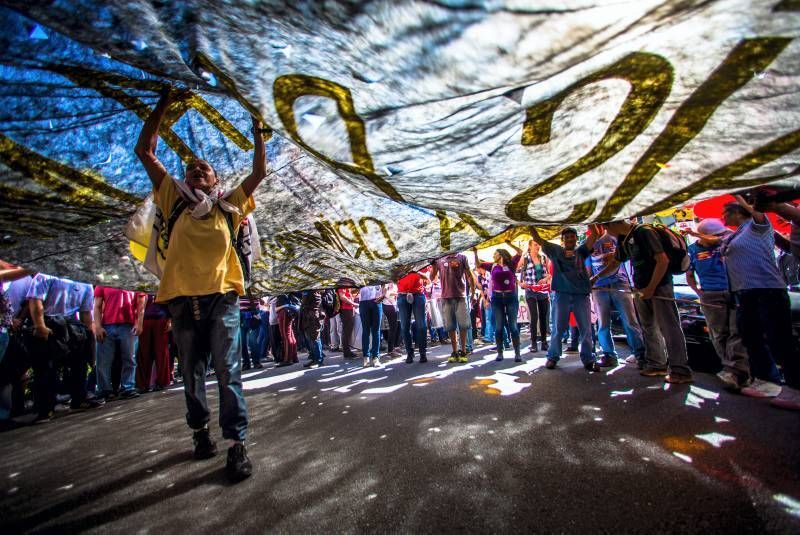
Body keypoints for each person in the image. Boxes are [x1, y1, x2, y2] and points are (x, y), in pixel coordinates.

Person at [135, 87, 270, 481]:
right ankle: (200, 434)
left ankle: (236, 446)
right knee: (192, 376)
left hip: (222, 301)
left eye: (204, 168)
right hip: (181, 303)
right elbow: (145, 151)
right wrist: (162, 102)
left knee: (229, 373)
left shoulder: (230, 207)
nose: (196, 169)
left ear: (215, 181)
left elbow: (259, 172)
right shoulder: (171, 198)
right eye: (190, 166)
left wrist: (259, 130)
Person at [720, 196, 799, 409]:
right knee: (751, 337)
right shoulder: (734, 235)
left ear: (738, 211)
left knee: (779, 340)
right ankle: (766, 382)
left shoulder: (758, 226)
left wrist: (739, 193)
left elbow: (757, 211)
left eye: (725, 212)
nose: (722, 216)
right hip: (745, 292)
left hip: (767, 289)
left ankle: (796, 387)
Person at [599, 220, 693, 384]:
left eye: (606, 227)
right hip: (640, 288)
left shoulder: (644, 232)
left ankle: (680, 370)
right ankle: (657, 364)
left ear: (613, 224)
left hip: (660, 286)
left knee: (669, 327)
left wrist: (651, 287)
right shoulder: (624, 239)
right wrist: (596, 278)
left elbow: (662, 260)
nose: (606, 231)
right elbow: (615, 262)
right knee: (648, 326)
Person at [685, 218, 750, 391]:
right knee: (719, 333)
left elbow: (729, 234)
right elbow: (689, 275)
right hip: (710, 294)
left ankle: (739, 371)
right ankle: (730, 369)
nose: (720, 237)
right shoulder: (692, 250)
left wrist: (701, 234)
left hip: (734, 290)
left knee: (737, 331)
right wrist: (699, 292)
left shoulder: (726, 244)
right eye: (716, 234)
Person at [27, 274, 101, 420]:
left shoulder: (84, 281)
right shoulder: (45, 276)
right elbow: (35, 300)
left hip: (72, 327)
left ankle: (79, 399)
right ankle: (45, 408)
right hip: (48, 324)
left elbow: (86, 313)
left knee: (79, 365)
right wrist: (40, 325)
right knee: (47, 369)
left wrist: (88, 336)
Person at [531, 225, 601, 371]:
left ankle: (588, 359)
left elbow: (594, 235)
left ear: (576, 238)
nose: (570, 239)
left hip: (581, 296)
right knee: (558, 328)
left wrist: (590, 219)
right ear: (562, 240)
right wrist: (529, 225)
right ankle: (552, 357)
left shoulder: (581, 251)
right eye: (567, 237)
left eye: (572, 236)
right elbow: (538, 239)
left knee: (586, 329)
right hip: (561, 295)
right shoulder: (555, 251)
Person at [587, 228, 645, 368]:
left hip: (620, 282)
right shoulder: (588, 244)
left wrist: (614, 256)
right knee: (603, 323)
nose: (596, 227)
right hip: (599, 287)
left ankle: (641, 355)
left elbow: (624, 257)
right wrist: (590, 286)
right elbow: (588, 268)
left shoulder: (614, 238)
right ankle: (609, 355)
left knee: (630, 320)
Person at [94, 285, 145, 399]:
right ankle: (105, 389)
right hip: (107, 326)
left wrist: (139, 323)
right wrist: (97, 326)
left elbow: (141, 304)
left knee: (130, 358)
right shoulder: (102, 283)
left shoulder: (134, 281)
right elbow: (97, 306)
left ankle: (128, 387)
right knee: (103, 361)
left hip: (128, 325)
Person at [476, 242, 523, 362]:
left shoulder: (511, 264)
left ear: (501, 254)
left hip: (510, 297)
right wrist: (475, 252)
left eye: (495, 253)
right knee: (498, 326)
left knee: (513, 326)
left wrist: (509, 243)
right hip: (497, 298)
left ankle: (517, 353)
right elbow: (478, 264)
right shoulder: (492, 266)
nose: (493, 255)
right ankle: (500, 353)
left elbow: (519, 252)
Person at [431, 252, 476, 363]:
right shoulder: (439, 259)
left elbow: (469, 275)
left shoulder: (462, 257)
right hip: (446, 297)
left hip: (460, 296)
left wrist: (473, 292)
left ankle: (463, 350)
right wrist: (433, 265)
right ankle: (455, 351)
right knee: (450, 326)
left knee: (463, 325)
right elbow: (432, 277)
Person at [519, 240, 551, 353]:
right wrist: (520, 283)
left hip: (542, 290)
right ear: (530, 246)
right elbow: (514, 272)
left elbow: (549, 273)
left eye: (538, 244)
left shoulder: (543, 257)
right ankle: (533, 343)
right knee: (534, 316)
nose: (537, 247)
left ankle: (544, 342)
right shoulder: (525, 258)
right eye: (535, 245)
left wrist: (545, 279)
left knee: (543, 316)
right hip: (530, 290)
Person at [396, 269, 430, 363]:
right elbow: (392, 277)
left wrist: (416, 272)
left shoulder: (418, 262)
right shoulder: (398, 263)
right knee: (404, 327)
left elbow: (428, 278)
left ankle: (423, 353)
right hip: (402, 296)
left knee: (421, 326)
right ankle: (409, 353)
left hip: (418, 295)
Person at [358, 284, 385, 367]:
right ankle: (366, 357)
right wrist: (359, 286)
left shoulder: (379, 272)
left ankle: (376, 357)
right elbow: (353, 291)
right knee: (365, 330)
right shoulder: (360, 274)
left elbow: (385, 285)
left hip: (376, 302)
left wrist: (383, 296)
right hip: (363, 302)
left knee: (376, 331)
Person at [301, 290, 325, 368]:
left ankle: (318, 360)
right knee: (311, 339)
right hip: (309, 318)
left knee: (315, 338)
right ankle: (315, 358)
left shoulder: (313, 293)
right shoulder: (309, 292)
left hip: (313, 318)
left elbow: (306, 303)